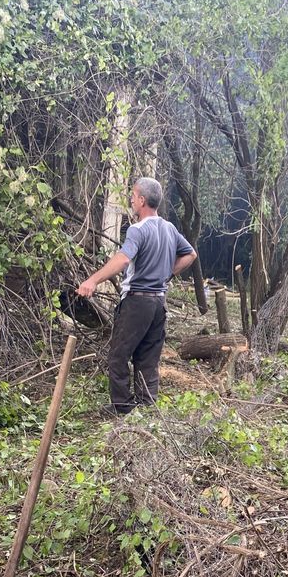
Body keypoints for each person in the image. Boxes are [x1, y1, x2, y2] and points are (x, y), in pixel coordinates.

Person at [77, 177, 197, 415]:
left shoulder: (137, 229)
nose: (131, 199)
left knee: (119, 356)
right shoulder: (169, 228)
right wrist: (167, 274)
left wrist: (92, 280)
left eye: (133, 195)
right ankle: (146, 407)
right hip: (158, 304)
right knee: (148, 358)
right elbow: (190, 254)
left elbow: (123, 259)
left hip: (137, 302)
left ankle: (121, 408)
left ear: (142, 200)